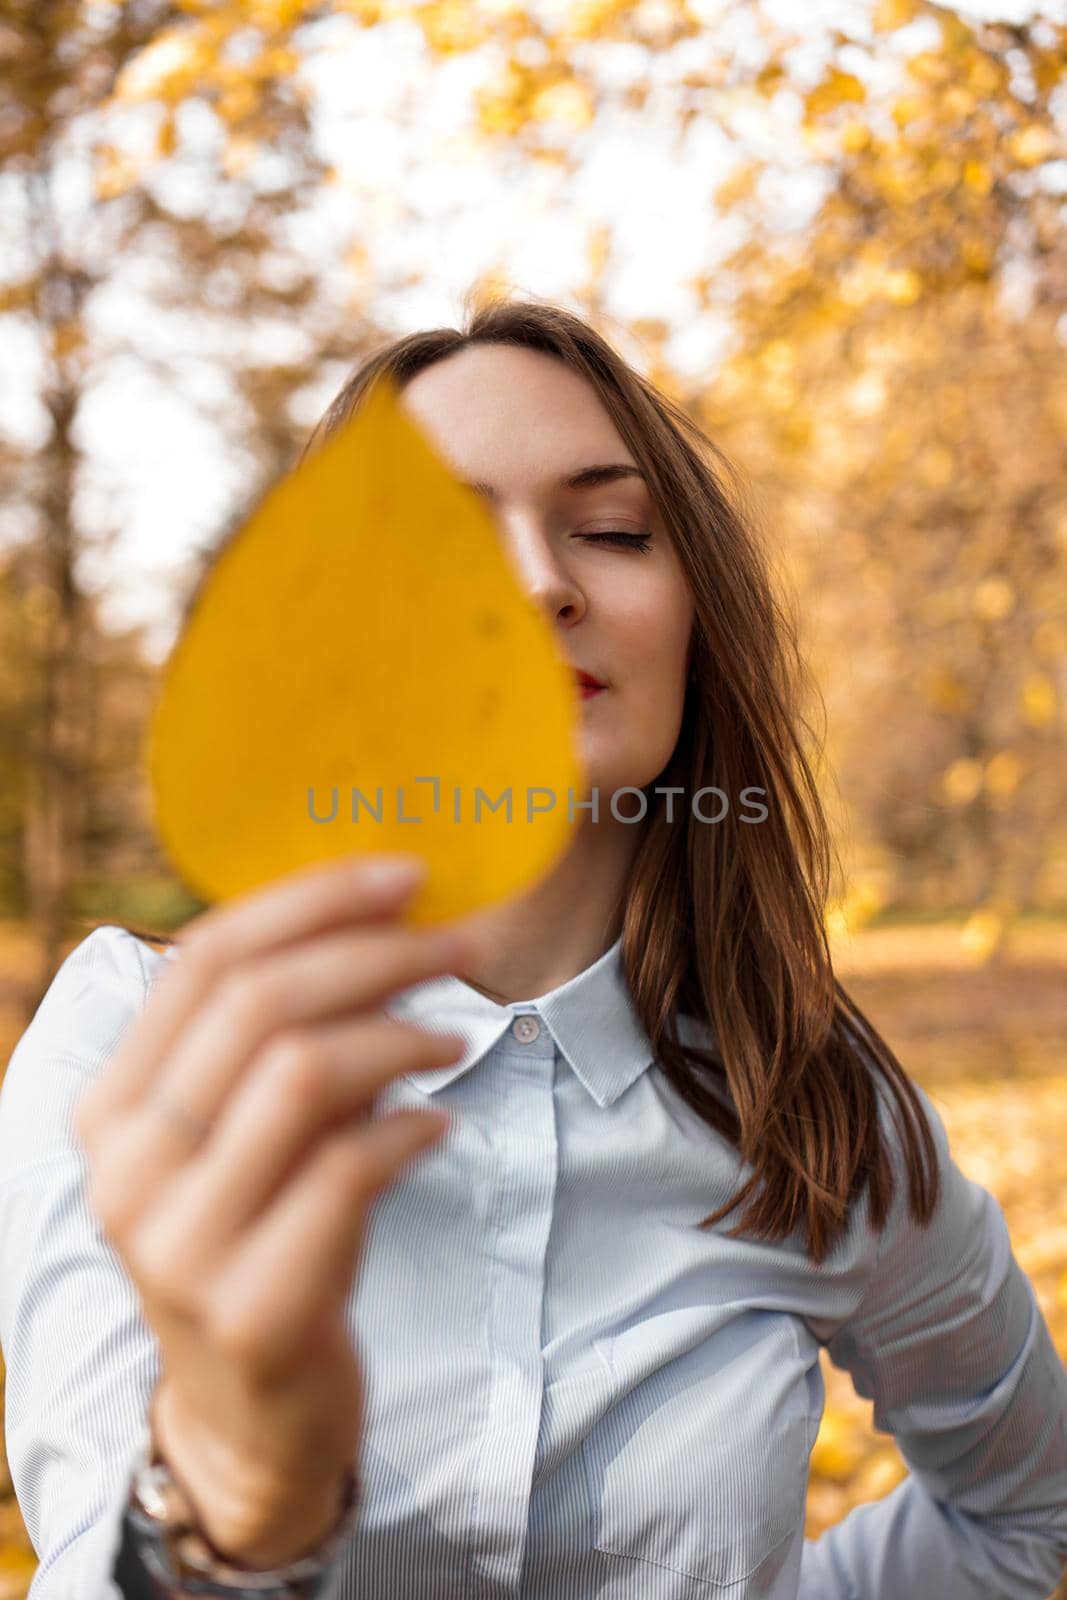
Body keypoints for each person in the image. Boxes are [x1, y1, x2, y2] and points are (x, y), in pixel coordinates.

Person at [1, 294, 1065, 1600]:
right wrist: (234, 1499)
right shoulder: (133, 1040)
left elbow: (1027, 1510)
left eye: (611, 530)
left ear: (695, 620)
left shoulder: (818, 1101)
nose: (537, 583)